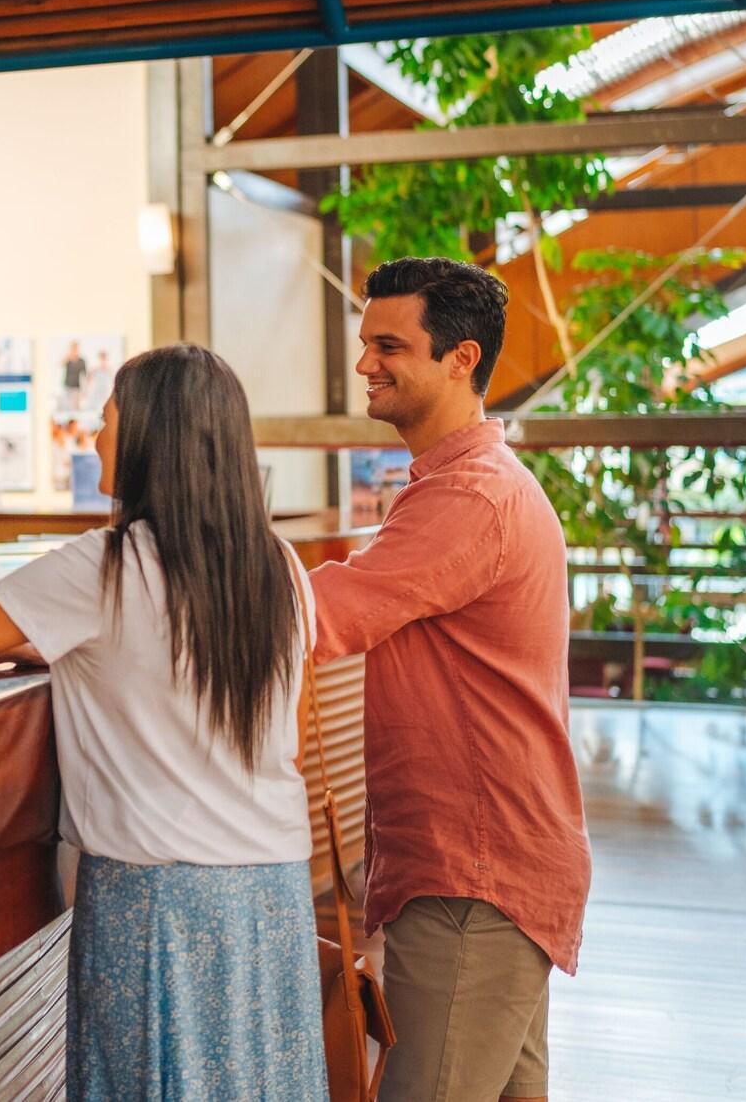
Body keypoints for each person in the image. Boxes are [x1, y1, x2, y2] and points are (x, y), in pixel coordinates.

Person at [0, 344, 326, 1100]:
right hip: (271, 893)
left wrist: (41, 642)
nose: (94, 437)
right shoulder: (277, 566)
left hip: (156, 905)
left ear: (153, 436)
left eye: (106, 418)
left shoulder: (102, 567)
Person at [307, 258, 590, 1102]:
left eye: (389, 345)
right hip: (493, 871)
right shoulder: (466, 485)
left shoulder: (470, 496)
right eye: (365, 344)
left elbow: (325, 614)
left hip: (474, 881)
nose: (366, 365)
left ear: (461, 358)